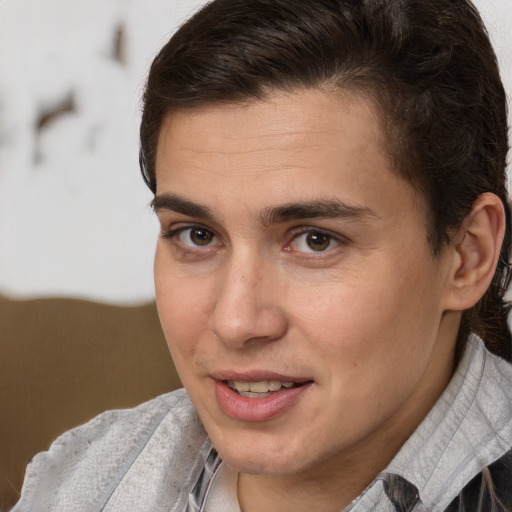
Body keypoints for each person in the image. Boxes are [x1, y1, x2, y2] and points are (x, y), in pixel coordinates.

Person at [13, 0, 512, 511]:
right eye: (197, 235)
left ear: (467, 256)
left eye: (316, 240)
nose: (235, 322)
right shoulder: (81, 482)